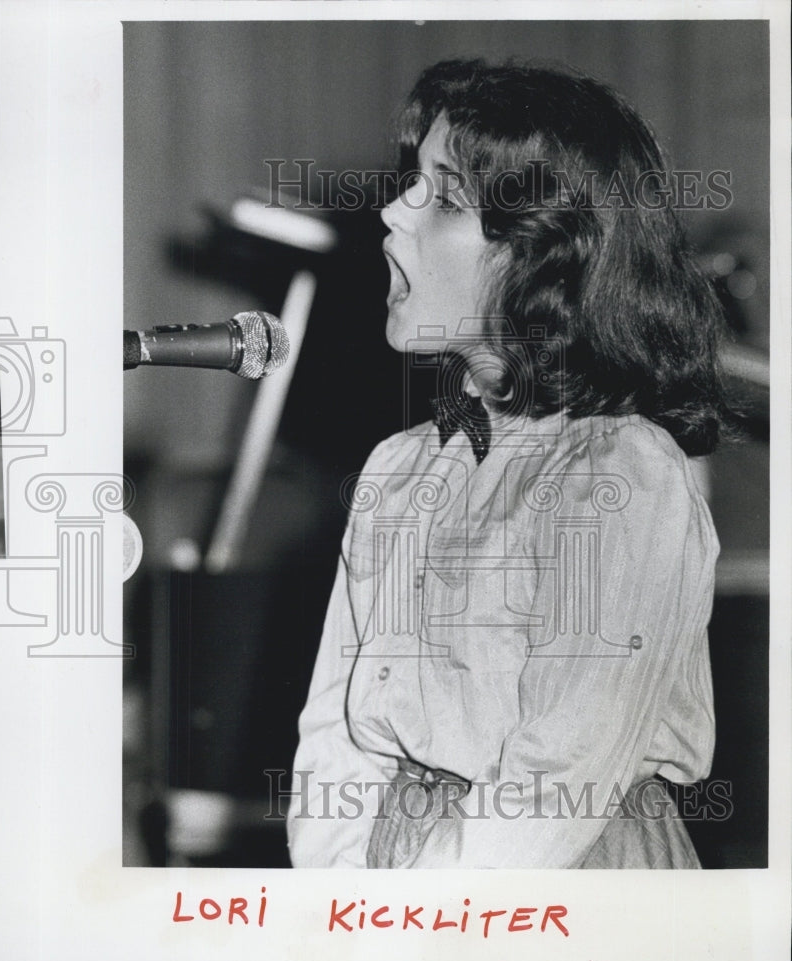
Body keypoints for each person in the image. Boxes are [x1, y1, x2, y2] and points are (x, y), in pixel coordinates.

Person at [287, 59, 728, 868]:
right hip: (399, 860)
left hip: (561, 881)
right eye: (409, 183)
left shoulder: (619, 472)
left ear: (542, 259)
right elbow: (334, 735)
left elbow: (557, 785)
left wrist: (428, 931)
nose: (392, 211)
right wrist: (337, 901)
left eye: (445, 198)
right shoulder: (396, 470)